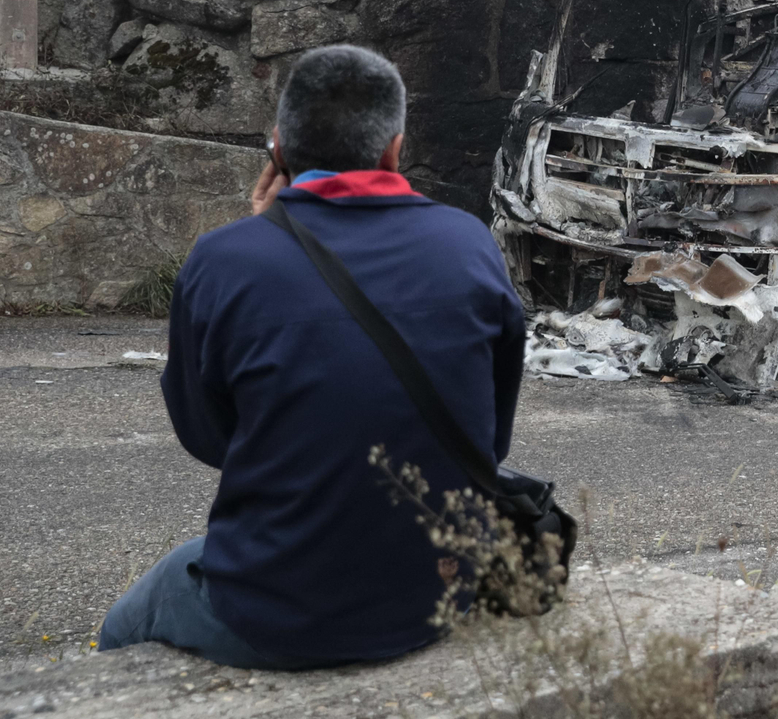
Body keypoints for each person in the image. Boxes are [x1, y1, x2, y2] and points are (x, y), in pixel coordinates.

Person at [97, 44, 526, 669]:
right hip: (442, 588)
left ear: (278, 149)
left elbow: (209, 436)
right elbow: (491, 436)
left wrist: (261, 229)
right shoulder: (471, 244)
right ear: (394, 150)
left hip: (277, 610)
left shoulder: (223, 260)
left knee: (124, 623)